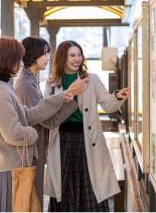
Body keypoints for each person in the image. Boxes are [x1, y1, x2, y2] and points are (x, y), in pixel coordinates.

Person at [0, 37, 87, 212]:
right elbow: (13, 133)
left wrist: (64, 96)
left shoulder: (2, 86)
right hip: (6, 171)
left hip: (10, 168)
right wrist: (34, 134)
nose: (21, 63)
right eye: (18, 58)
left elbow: (28, 113)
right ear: (7, 59)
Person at [44, 40, 130, 212]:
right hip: (62, 143)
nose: (77, 59)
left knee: (91, 186)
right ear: (63, 58)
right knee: (64, 187)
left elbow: (108, 105)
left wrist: (118, 96)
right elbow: (47, 113)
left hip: (87, 141)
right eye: (72, 55)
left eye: (79, 55)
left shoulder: (91, 80)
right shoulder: (52, 84)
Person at [14, 36, 76, 206]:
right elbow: (43, 119)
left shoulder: (30, 80)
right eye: (45, 54)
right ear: (33, 55)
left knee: (35, 196)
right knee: (33, 197)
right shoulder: (25, 84)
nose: (48, 58)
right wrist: (68, 99)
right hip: (32, 149)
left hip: (36, 146)